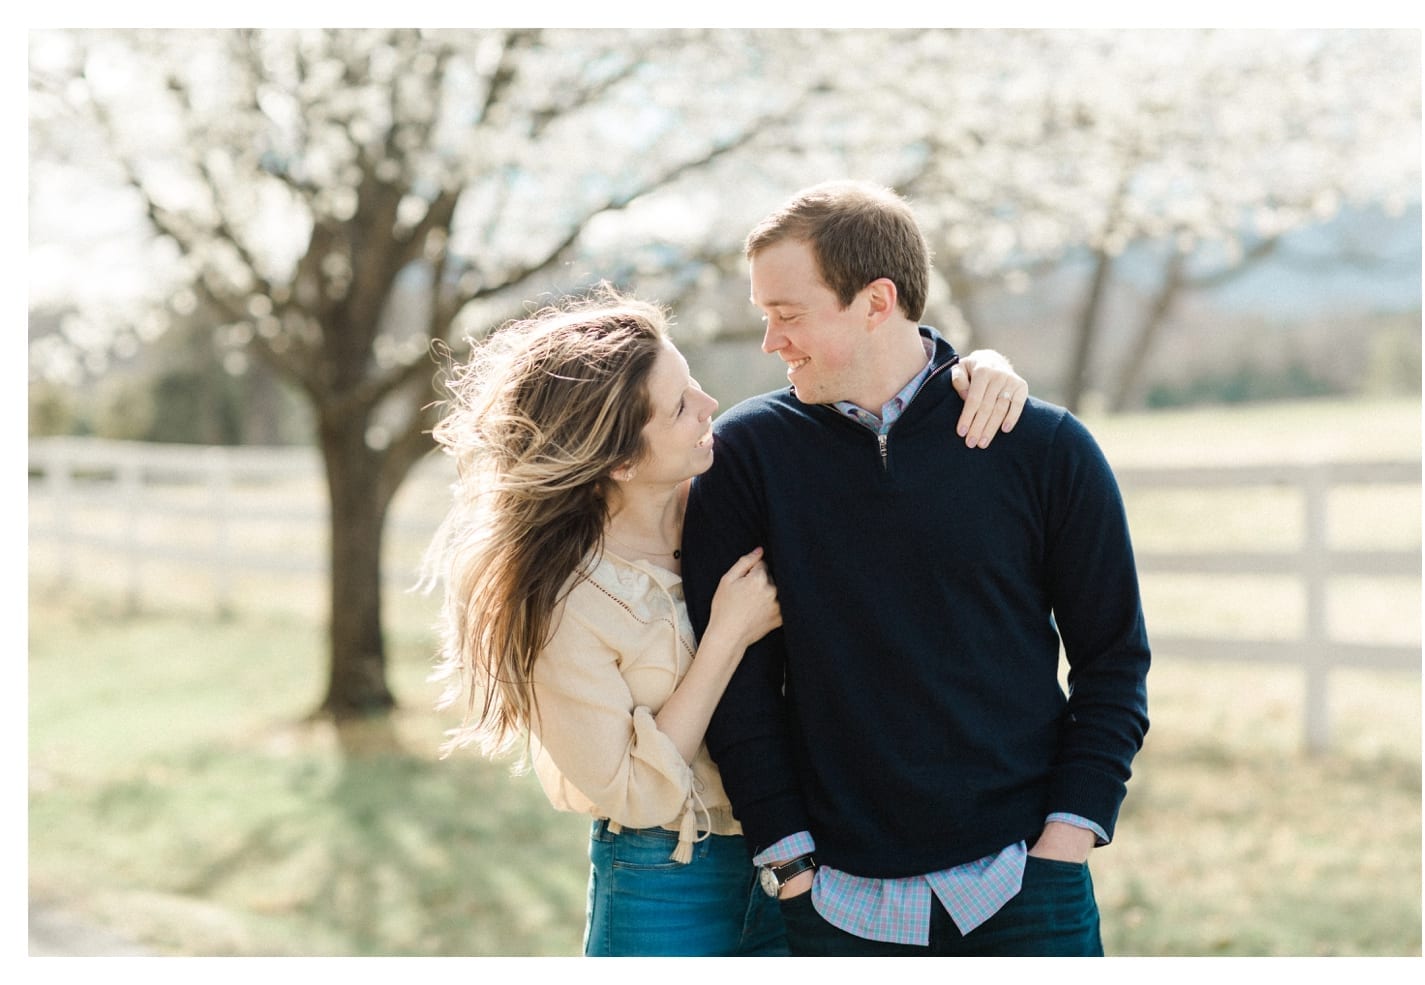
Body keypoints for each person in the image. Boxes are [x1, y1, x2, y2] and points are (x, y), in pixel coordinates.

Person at [424, 284, 1030, 956]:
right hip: (668, 875)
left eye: (696, 383)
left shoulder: (741, 495)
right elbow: (631, 790)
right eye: (680, 406)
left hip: (808, 853)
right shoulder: (564, 601)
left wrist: (978, 371)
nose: (711, 406)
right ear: (621, 460)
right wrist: (725, 636)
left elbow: (885, 410)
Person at [680, 180, 1151, 957]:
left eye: (788, 315)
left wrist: (1065, 841)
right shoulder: (744, 460)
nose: (770, 342)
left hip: (1027, 890)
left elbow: (1113, 660)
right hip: (833, 905)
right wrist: (790, 861)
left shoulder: (1043, 447)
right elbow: (742, 688)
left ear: (876, 301)